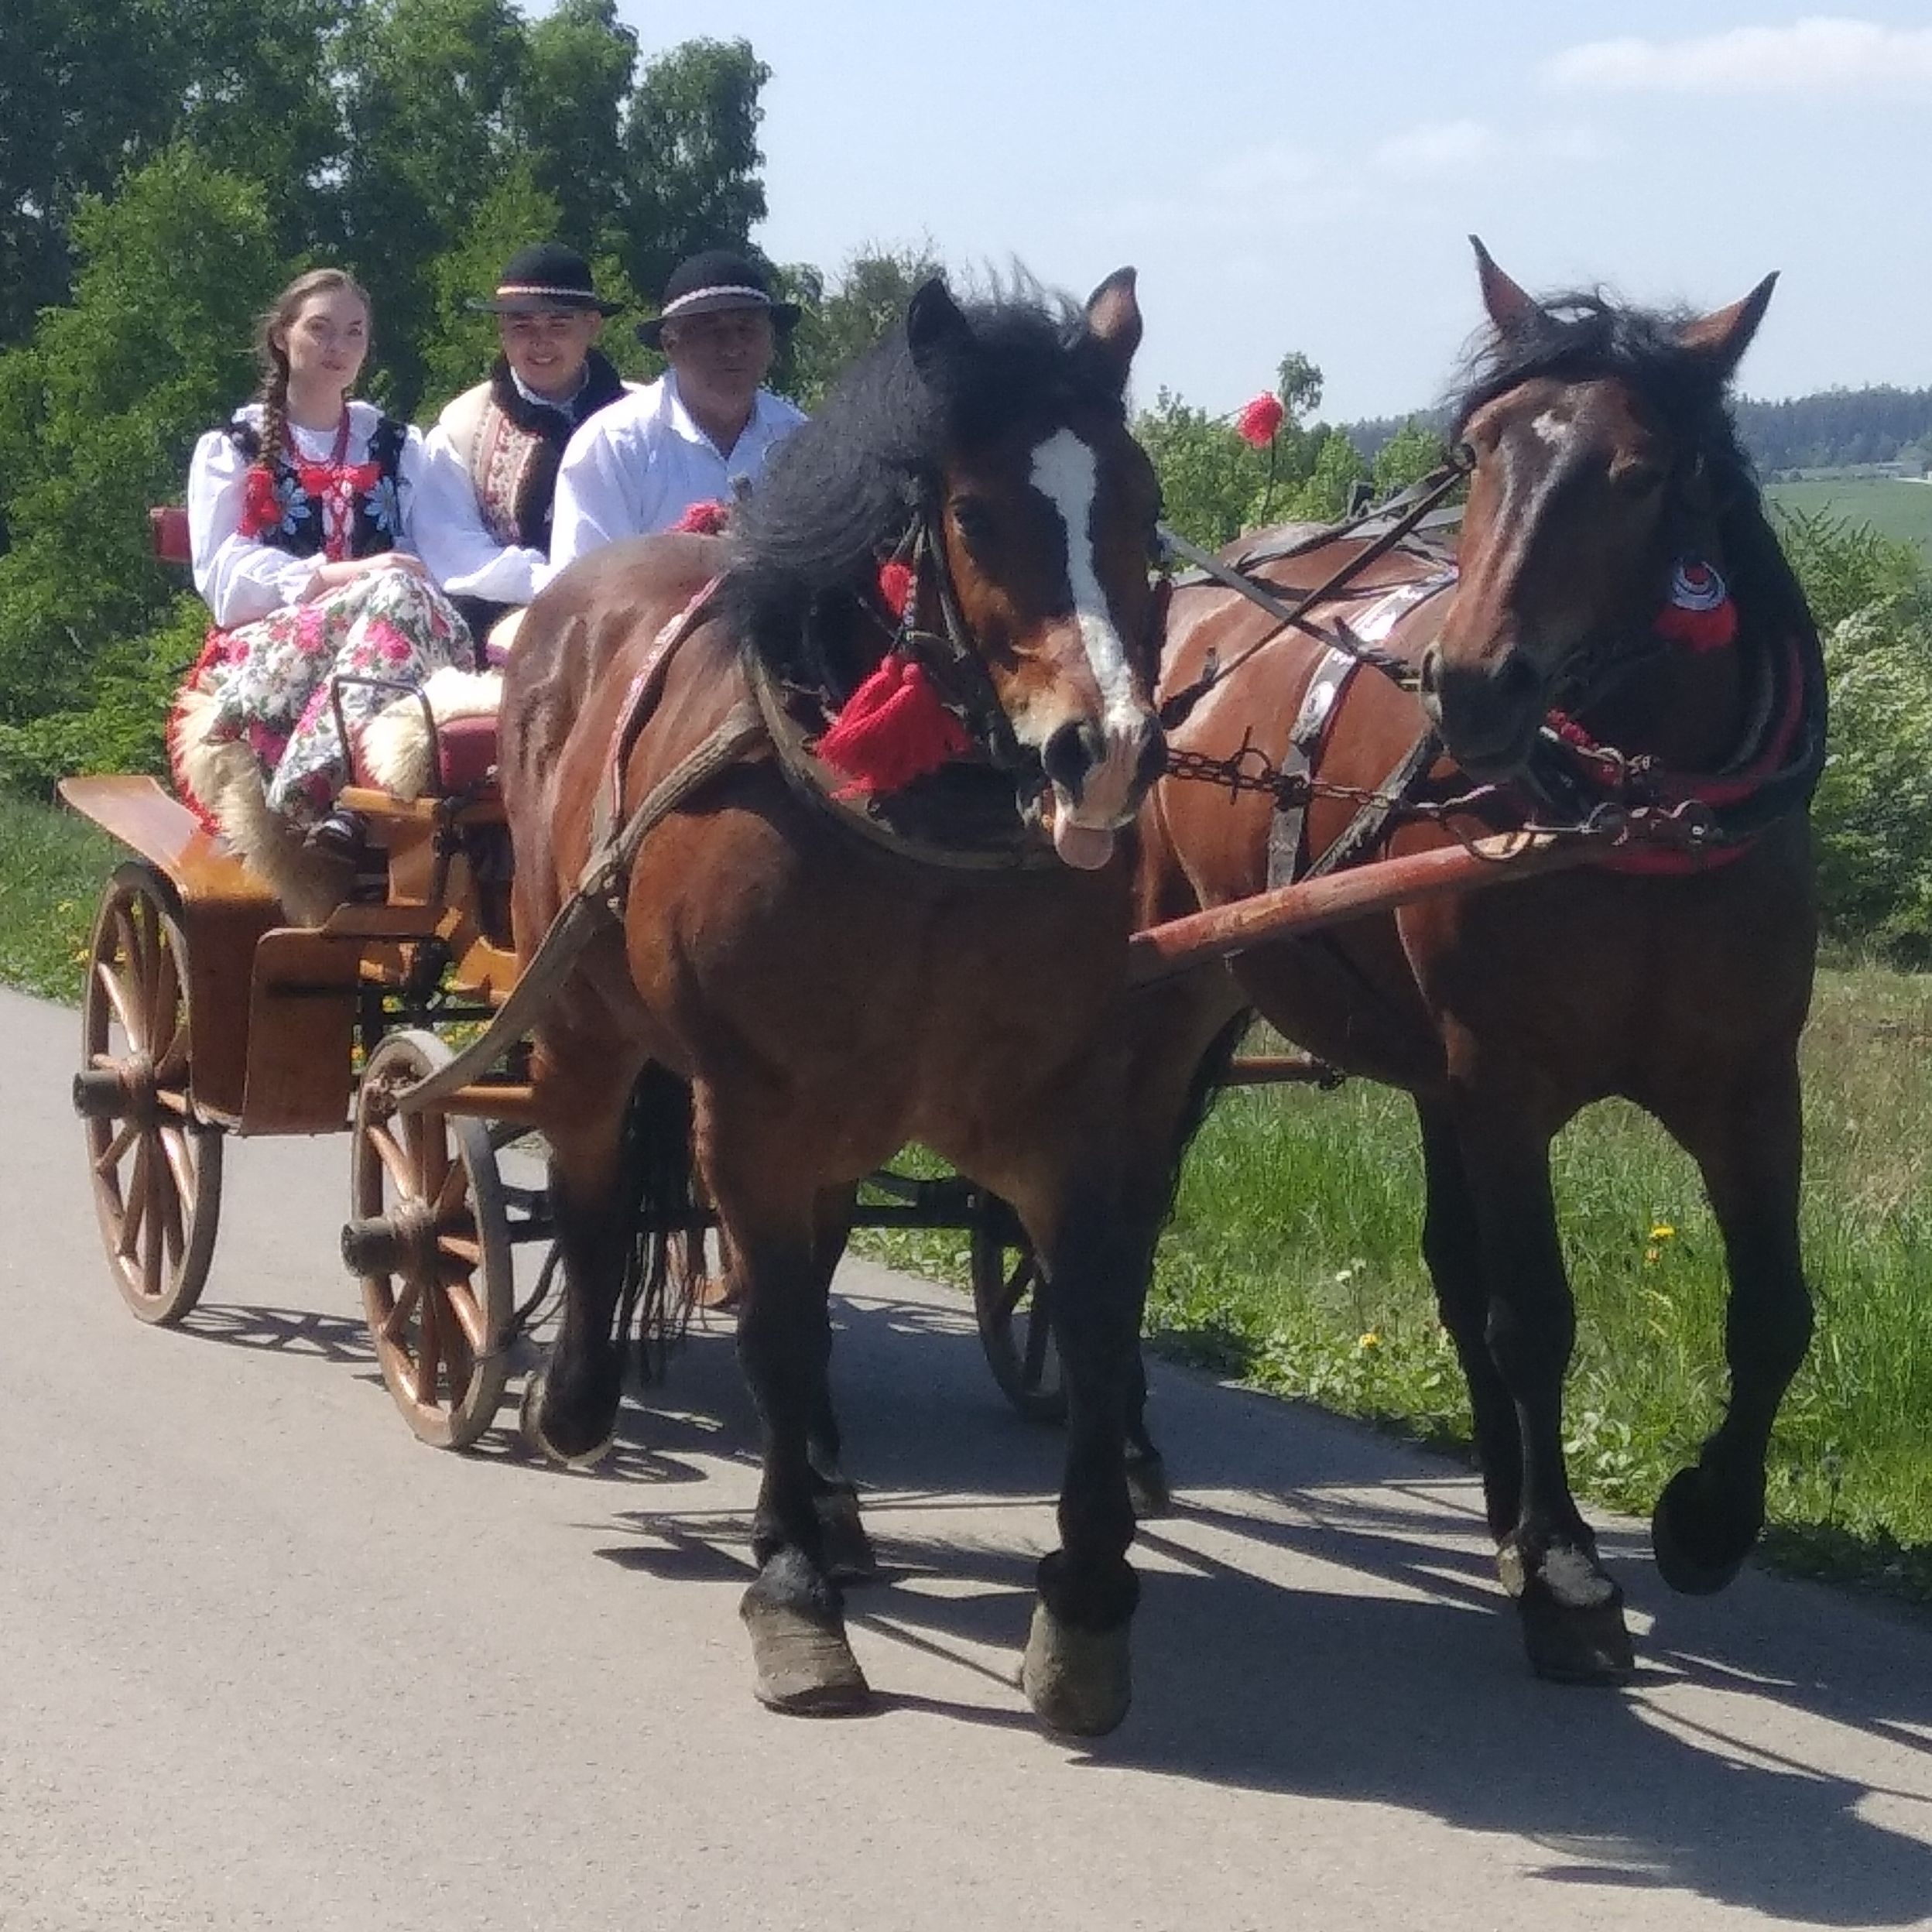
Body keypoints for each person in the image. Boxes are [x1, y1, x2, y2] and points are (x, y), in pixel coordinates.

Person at [176, 266, 473, 855]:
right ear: (283, 335)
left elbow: (444, 549)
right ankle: (322, 792)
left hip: (387, 639)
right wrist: (349, 575)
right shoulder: (232, 447)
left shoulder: (398, 445)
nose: (339, 347)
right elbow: (223, 581)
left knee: (406, 596)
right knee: (396, 590)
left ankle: (323, 791)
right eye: (322, 329)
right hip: (275, 642)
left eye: (355, 333)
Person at [413, 242, 632, 649]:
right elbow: (454, 550)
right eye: (522, 326)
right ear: (502, 332)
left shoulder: (641, 421)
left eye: (558, 326)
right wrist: (553, 585)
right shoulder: (461, 430)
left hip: (631, 620)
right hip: (504, 628)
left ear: (592, 326)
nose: (540, 343)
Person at [548, 249, 807, 568]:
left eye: (747, 329)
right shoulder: (613, 444)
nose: (733, 347)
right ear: (671, 344)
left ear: (771, 342)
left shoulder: (801, 440)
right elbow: (583, 587)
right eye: (712, 331)